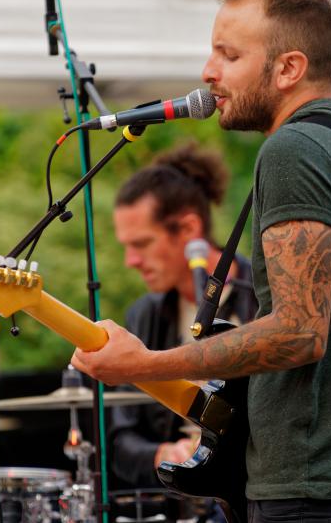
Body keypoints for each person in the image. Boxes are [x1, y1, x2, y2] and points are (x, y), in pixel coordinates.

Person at [74, 0, 331, 523]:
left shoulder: (293, 150)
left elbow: (299, 332)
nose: (208, 73)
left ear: (288, 68)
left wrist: (146, 363)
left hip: (309, 494)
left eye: (228, 56)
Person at [109, 143, 258, 490]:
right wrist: (163, 452)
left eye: (141, 244)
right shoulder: (144, 315)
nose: (130, 260)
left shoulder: (265, 299)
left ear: (189, 228)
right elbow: (117, 440)